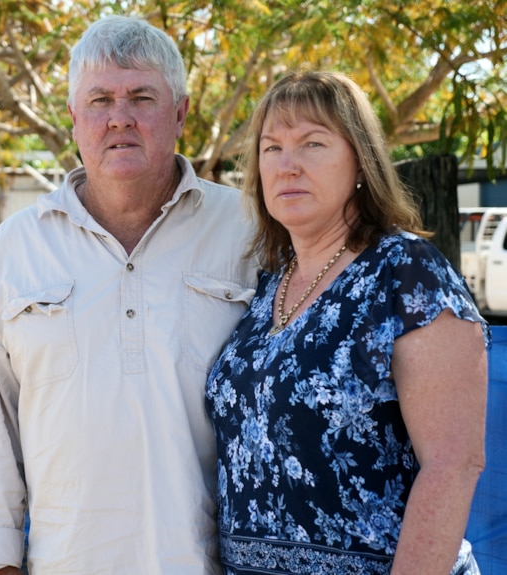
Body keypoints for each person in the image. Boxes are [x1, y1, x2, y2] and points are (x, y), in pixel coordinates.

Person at [0, 14, 260, 575]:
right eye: (99, 100)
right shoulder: (17, 246)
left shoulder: (249, 231)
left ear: (180, 113)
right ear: (74, 119)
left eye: (142, 97)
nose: (120, 118)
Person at [205, 70, 489, 575]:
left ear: (360, 161)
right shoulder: (267, 281)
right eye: (272, 149)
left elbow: (454, 464)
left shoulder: (406, 272)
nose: (287, 166)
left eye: (312, 143)